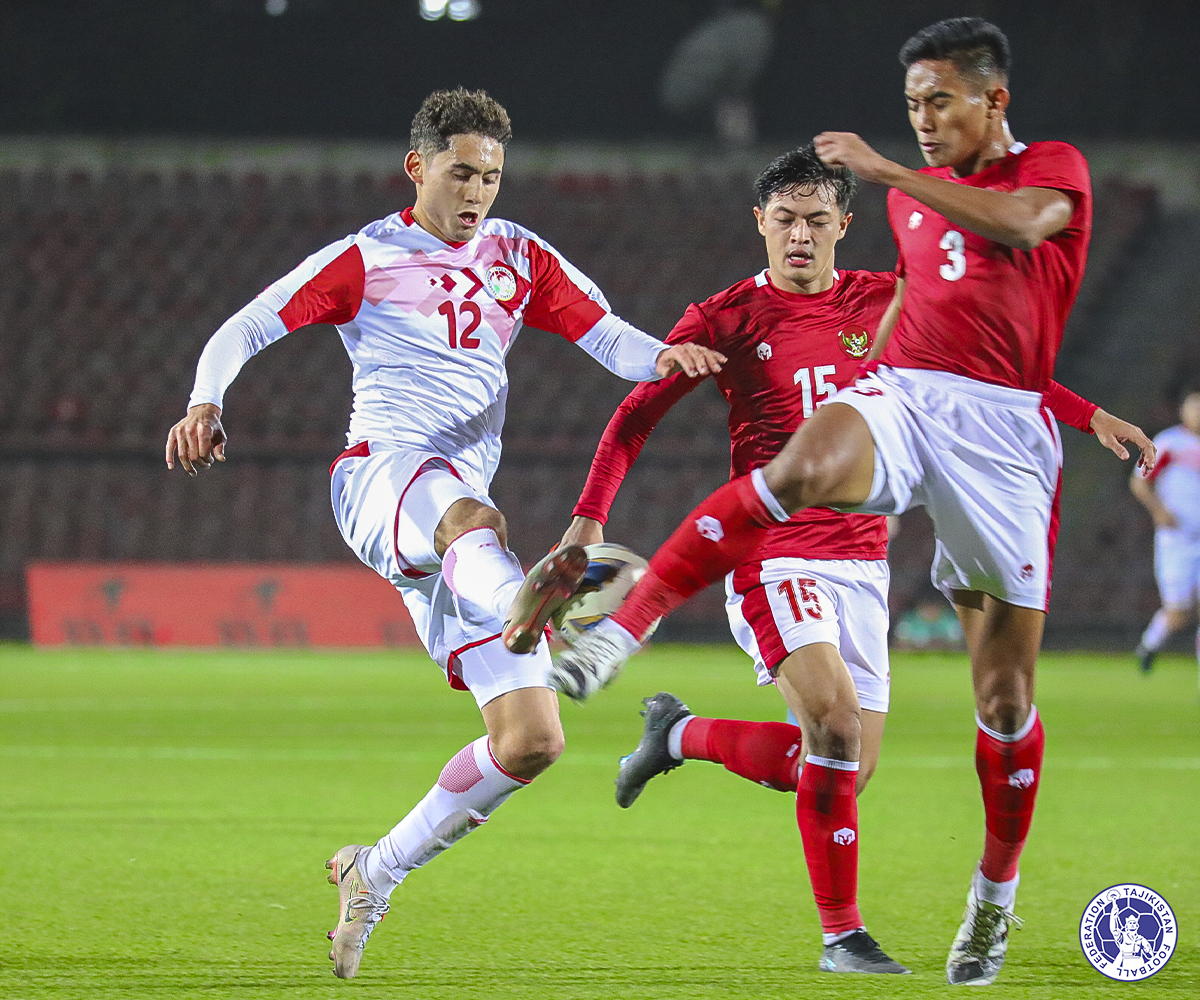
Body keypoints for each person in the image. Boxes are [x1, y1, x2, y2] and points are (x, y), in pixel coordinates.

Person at [536, 18, 1156, 986]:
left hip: (873, 551)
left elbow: (987, 353)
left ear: (840, 224)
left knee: (846, 762)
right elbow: (632, 416)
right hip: (777, 558)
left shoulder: (893, 280)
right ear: (759, 225)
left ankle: (681, 733)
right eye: (781, 218)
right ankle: (839, 932)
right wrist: (587, 520)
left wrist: (1086, 413)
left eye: (815, 218)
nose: (797, 234)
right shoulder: (728, 316)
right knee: (825, 702)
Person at [164, 87, 724, 979]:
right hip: (382, 477)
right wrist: (205, 402)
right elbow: (247, 326)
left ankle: (371, 870)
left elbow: (605, 335)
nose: (477, 192)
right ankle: (532, 603)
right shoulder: (367, 257)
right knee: (476, 519)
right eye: (462, 172)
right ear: (417, 167)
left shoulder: (519, 256)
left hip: (456, 532)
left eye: (492, 177)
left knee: (532, 741)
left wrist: (665, 355)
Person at [1131, 389, 1200, 674]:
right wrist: (1159, 511)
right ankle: (1149, 644)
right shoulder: (1170, 443)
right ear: (1183, 410)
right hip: (1178, 539)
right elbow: (1139, 482)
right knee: (1178, 611)